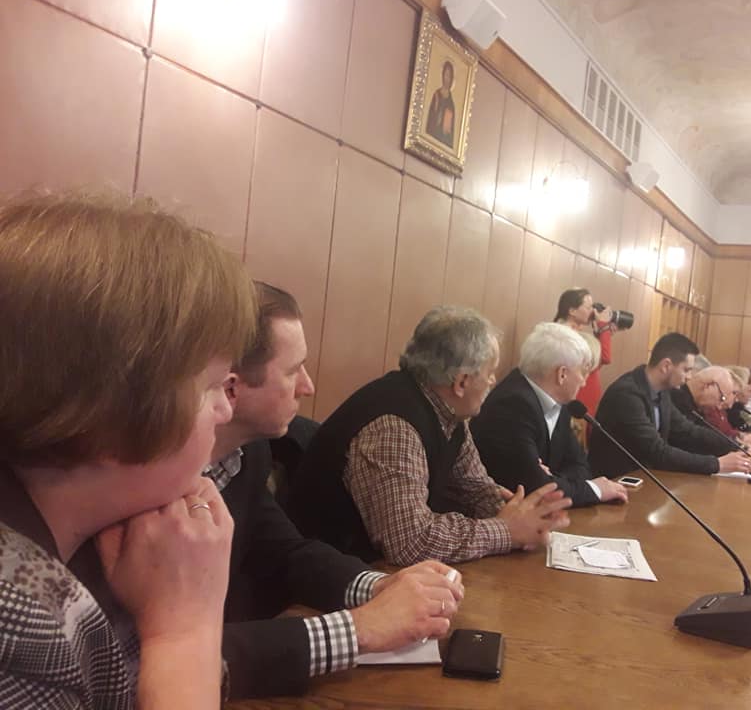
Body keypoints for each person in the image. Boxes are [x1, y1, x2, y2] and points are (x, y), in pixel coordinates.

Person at [0, 193, 257, 708]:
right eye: (211, 386)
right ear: (110, 413)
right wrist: (185, 631)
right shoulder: (18, 616)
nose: (225, 411)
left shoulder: (109, 540)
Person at [209, 283, 464, 699]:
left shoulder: (248, 452)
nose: (307, 386)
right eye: (293, 370)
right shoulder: (142, 479)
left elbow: (287, 551)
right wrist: (358, 629)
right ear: (230, 387)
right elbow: (162, 658)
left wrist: (379, 588)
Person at [289, 306, 572, 566]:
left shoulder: (448, 413)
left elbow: (475, 488)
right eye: (490, 372)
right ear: (462, 382)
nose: (493, 381)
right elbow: (410, 542)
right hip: (324, 580)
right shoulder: (393, 428)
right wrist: (506, 530)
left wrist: (525, 516)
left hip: (378, 572)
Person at [472, 322, 628, 508]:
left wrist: (550, 478)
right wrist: (596, 489)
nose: (584, 382)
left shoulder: (559, 402)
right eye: (583, 372)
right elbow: (538, 490)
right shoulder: (513, 405)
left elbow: (581, 466)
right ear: (562, 374)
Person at [589, 332, 751, 477]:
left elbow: (688, 431)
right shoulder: (627, 394)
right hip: (618, 481)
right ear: (666, 366)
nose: (689, 377)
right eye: (686, 370)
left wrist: (737, 447)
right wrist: (717, 464)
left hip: (647, 479)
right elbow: (657, 451)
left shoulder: (662, 392)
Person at [670, 366, 751, 468]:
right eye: (722, 398)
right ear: (707, 386)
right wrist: (719, 464)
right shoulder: (676, 400)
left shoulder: (694, 404)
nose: (720, 406)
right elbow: (692, 436)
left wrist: (740, 447)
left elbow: (706, 433)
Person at [555, 287, 617, 436]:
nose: (593, 312)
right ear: (572, 311)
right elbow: (605, 358)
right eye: (589, 307)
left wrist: (601, 333)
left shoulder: (577, 333)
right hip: (574, 402)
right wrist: (603, 328)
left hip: (583, 403)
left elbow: (592, 365)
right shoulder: (565, 333)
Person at [426, 60, 456, 147]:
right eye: (446, 75)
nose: (447, 79)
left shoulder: (451, 102)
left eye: (450, 76)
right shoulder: (436, 95)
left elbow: (451, 130)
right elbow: (430, 119)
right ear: (443, 75)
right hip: (434, 135)